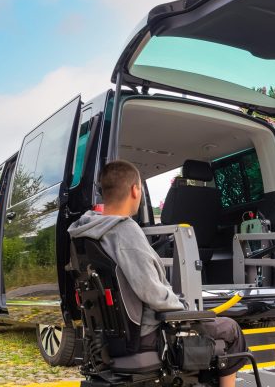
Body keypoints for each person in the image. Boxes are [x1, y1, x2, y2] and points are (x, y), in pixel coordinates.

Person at [68, 160, 247, 387]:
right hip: (146, 335)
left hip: (109, 338)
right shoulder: (124, 231)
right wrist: (185, 311)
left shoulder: (85, 232)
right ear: (135, 190)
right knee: (231, 330)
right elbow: (150, 290)